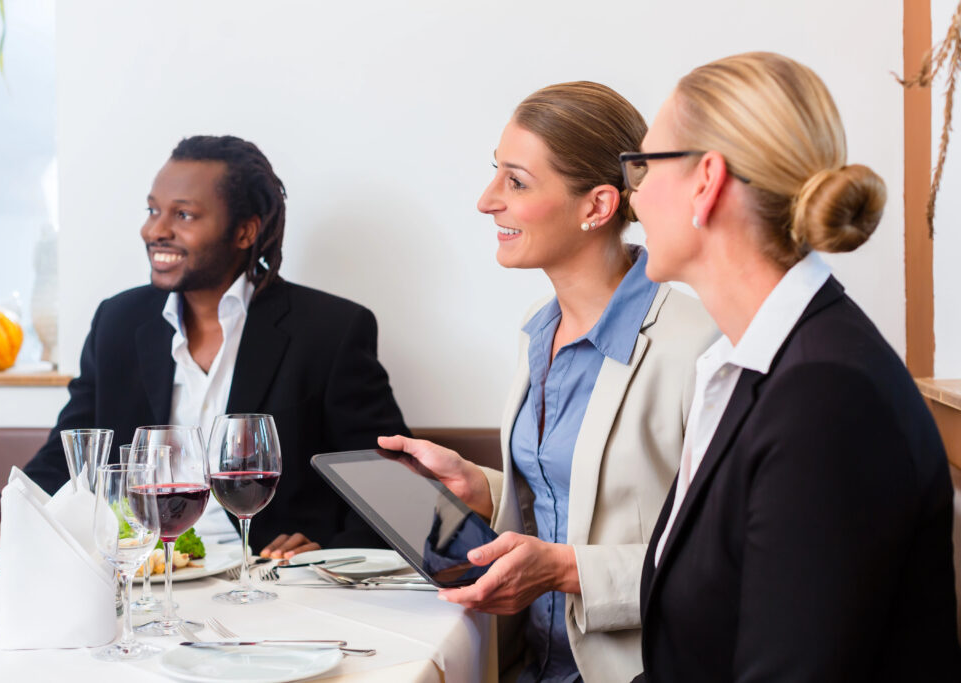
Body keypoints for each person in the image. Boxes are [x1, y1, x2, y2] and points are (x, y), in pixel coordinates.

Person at [626, 52, 961, 681]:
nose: (633, 193)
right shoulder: (752, 365)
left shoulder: (826, 397)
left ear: (706, 181)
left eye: (642, 166)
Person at [379, 82, 717, 682]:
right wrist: (482, 489)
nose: (487, 201)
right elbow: (572, 503)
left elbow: (722, 566)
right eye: (495, 175)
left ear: (597, 206)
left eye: (516, 181)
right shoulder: (539, 332)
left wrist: (566, 572)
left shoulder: (697, 349)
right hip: (527, 667)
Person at [0, 135, 410, 557]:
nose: (155, 230)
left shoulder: (330, 330)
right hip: (144, 577)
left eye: (183, 215)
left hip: (270, 584)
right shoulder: (118, 322)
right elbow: (70, 454)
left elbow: (388, 487)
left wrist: (328, 556)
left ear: (245, 232)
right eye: (153, 210)